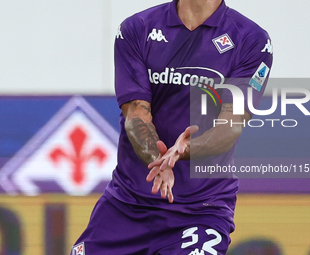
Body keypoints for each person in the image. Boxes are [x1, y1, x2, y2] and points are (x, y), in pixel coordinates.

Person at [71, 0, 273, 254]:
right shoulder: (138, 28)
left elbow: (231, 125)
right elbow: (136, 112)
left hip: (201, 209)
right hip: (128, 204)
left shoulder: (251, 39)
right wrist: (159, 159)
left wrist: (187, 149)